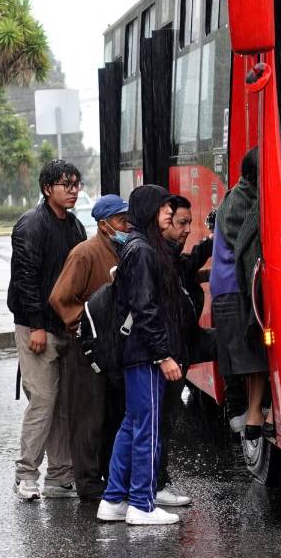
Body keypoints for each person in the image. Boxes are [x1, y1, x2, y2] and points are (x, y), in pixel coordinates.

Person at [97, 184, 184, 526]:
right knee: (146, 428)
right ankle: (142, 505)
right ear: (150, 210)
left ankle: (114, 499)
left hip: (134, 351)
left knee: (131, 424)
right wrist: (164, 355)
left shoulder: (136, 247)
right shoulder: (144, 251)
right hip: (145, 354)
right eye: (165, 208)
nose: (169, 213)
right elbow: (145, 309)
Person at [7, 159, 87, 501]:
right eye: (65, 185)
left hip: (66, 328)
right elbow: (25, 281)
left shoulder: (75, 227)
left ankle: (60, 475)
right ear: (46, 189)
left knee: (65, 404)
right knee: (43, 400)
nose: (72, 191)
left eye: (75, 184)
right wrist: (37, 326)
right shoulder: (30, 226)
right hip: (35, 327)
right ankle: (26, 474)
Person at [47, 194, 130, 501]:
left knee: (112, 413)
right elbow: (59, 297)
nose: (127, 225)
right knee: (88, 417)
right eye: (122, 220)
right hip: (85, 345)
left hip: (112, 345)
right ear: (104, 224)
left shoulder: (123, 250)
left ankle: (108, 475)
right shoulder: (85, 253)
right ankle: (88, 482)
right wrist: (84, 323)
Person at [151, 194, 214, 509]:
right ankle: (156, 483)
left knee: (237, 341)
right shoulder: (156, 256)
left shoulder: (171, 253)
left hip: (184, 343)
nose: (188, 229)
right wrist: (165, 356)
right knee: (161, 419)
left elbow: (188, 267)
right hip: (171, 351)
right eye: (181, 223)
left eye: (190, 223)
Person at [212, 150, 270, 441]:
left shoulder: (243, 195)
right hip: (232, 289)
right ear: (254, 176)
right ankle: (253, 414)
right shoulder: (239, 202)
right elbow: (249, 244)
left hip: (235, 288)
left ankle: (252, 414)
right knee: (254, 353)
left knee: (251, 353)